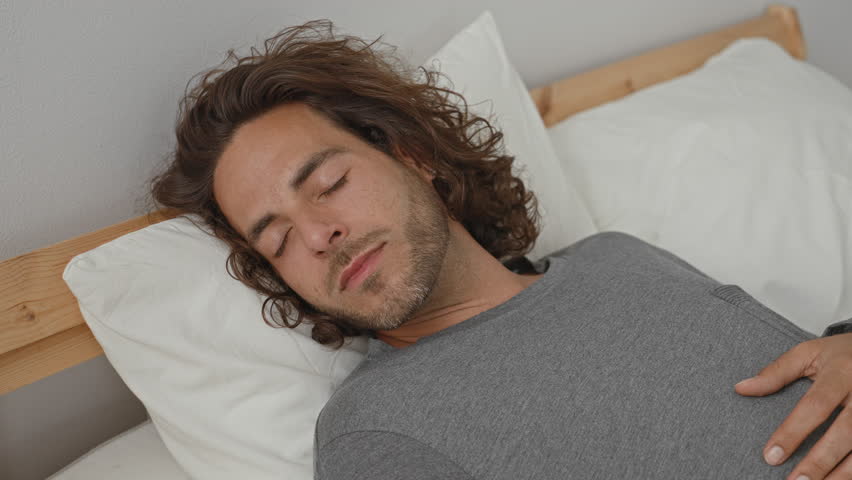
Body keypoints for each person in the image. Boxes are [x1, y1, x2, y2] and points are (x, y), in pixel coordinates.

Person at [151, 20, 852, 480]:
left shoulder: (616, 257)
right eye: (277, 241)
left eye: (329, 183)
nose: (315, 235)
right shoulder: (372, 432)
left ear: (413, 154)